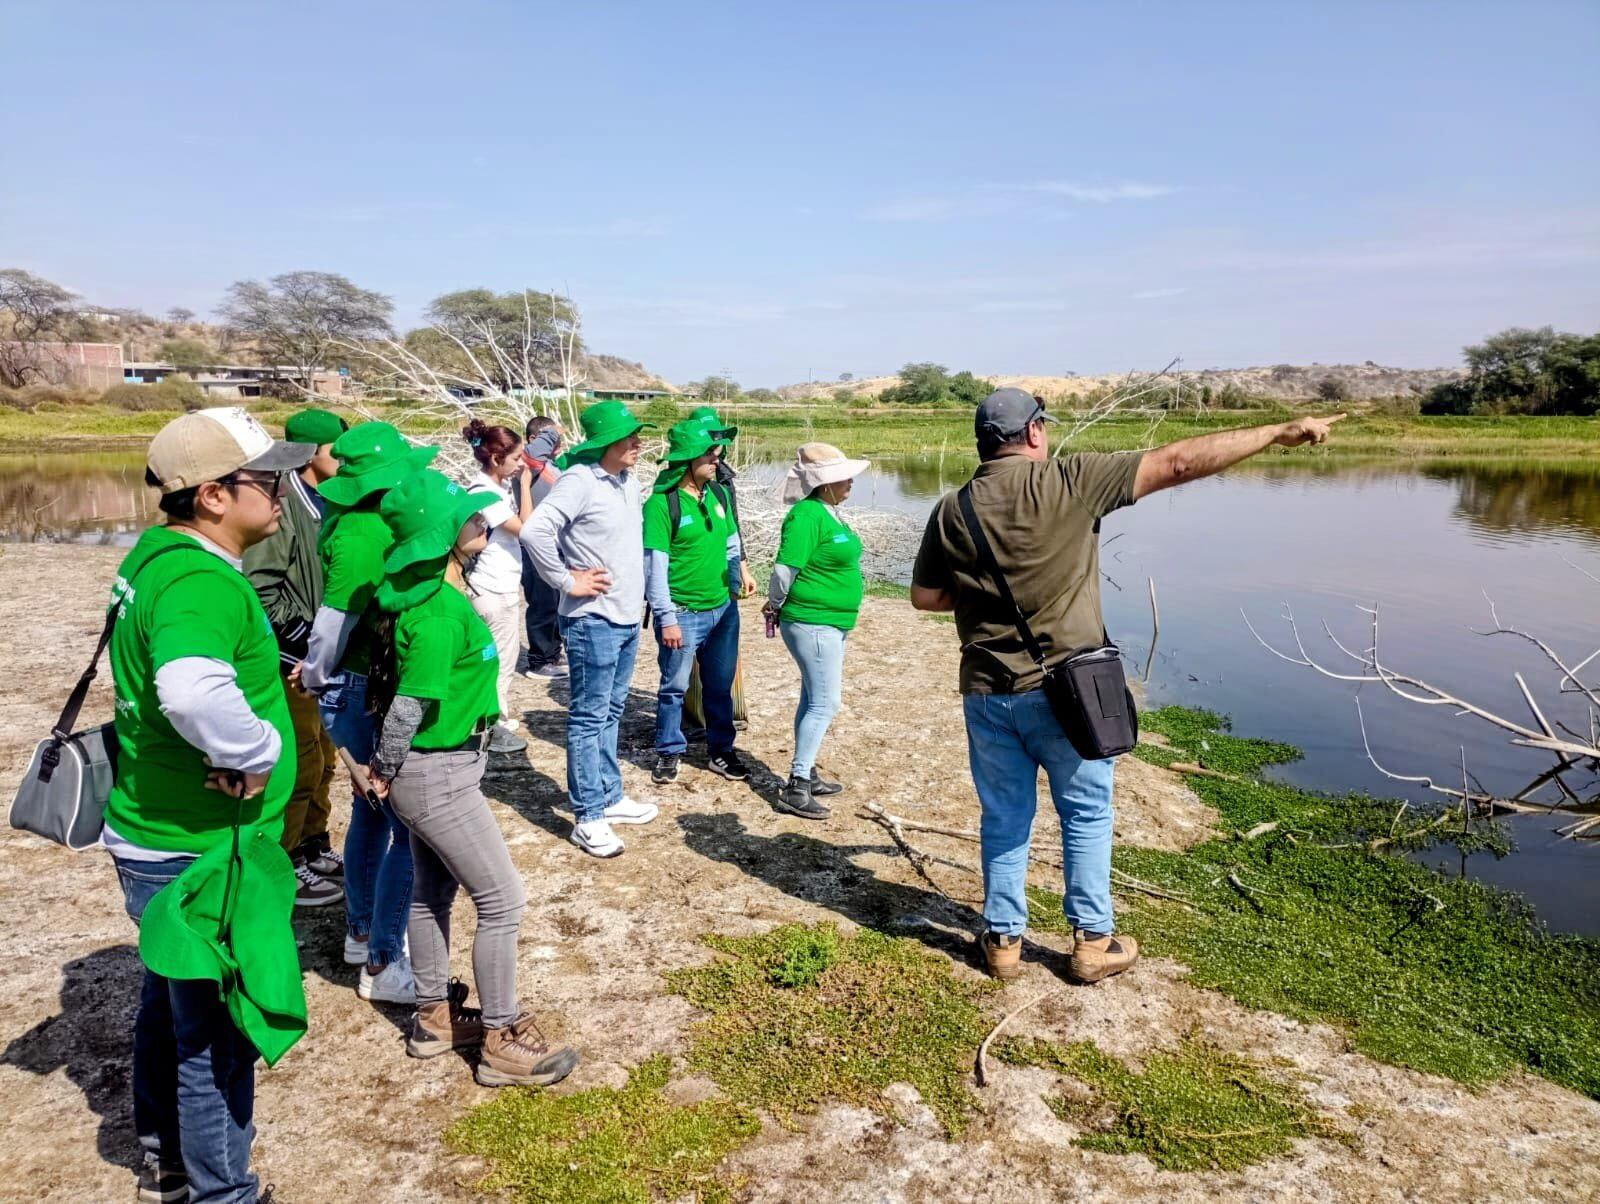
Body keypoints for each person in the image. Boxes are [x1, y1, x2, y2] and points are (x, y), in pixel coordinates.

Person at [910, 388, 1345, 984]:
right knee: (1085, 813)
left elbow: (926, 598)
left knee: (1004, 816)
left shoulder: (951, 509)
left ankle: (1003, 943)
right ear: (1034, 433)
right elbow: (1179, 462)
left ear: (983, 442)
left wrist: (988, 590)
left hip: (987, 691)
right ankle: (1092, 943)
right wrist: (1276, 432)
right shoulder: (1071, 481)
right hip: (1069, 691)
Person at [106, 406, 313, 1204]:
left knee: (167, 998)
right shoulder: (200, 579)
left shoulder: (158, 557)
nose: (284, 491)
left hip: (152, 831)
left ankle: (166, 1155)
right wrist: (255, 753)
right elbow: (190, 689)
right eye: (268, 479)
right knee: (215, 1034)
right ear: (214, 496)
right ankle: (222, 1192)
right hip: (200, 848)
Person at [366, 469, 580, 1088]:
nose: (483, 521)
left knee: (432, 891)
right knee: (503, 899)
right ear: (441, 536)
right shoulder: (434, 612)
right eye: (470, 518)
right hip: (437, 774)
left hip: (439, 769)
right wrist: (383, 766)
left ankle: (433, 1018)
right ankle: (502, 1038)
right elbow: (408, 703)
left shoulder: (418, 586)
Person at [298, 421, 438, 1006]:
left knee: (372, 813)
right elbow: (335, 621)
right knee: (403, 823)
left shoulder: (361, 519)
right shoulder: (361, 531)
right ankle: (384, 957)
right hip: (361, 686)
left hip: (362, 683)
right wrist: (315, 677)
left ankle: (360, 930)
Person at [522, 400, 660, 859]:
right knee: (586, 717)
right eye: (630, 436)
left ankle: (610, 795)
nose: (638, 443)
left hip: (623, 616)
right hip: (592, 619)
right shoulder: (579, 481)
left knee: (612, 710)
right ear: (606, 443)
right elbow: (534, 532)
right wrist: (565, 580)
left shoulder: (627, 480)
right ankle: (588, 816)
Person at [244, 406, 348, 908]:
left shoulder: (326, 501)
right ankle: (286, 864)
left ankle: (314, 843)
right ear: (311, 454)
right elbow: (262, 591)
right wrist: (307, 641)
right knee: (302, 761)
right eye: (337, 452)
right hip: (293, 663)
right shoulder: (284, 507)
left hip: (321, 662)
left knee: (326, 757)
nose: (344, 461)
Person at [643, 420, 757, 785]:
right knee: (674, 687)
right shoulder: (662, 504)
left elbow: (731, 543)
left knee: (720, 686)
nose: (717, 457)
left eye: (717, 450)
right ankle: (669, 750)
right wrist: (666, 617)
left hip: (723, 610)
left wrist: (738, 577)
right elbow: (655, 567)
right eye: (709, 452)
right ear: (687, 458)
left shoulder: (718, 494)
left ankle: (721, 751)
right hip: (682, 612)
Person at [764, 442, 869, 820]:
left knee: (813, 697)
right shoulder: (806, 516)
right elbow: (784, 570)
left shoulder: (829, 511)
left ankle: (806, 771)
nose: (850, 483)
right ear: (823, 484)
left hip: (830, 621)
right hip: (812, 621)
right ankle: (796, 785)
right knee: (827, 702)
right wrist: (774, 605)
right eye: (843, 478)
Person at [678, 405, 751, 735]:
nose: (717, 446)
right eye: (711, 439)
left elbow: (733, 529)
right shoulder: (677, 483)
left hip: (724, 572)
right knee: (689, 653)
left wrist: (742, 569)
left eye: (719, 438)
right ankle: (692, 711)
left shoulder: (723, 476)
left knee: (723, 651)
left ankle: (724, 711)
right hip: (690, 584)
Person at [461, 418, 532, 754]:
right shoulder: (486, 494)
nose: (521, 465)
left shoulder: (496, 489)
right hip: (492, 586)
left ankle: (495, 717)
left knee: (503, 656)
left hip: (499, 584)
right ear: (495, 458)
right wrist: (528, 485)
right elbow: (525, 528)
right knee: (500, 660)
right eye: (517, 458)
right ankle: (492, 723)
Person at [518, 415, 568, 680]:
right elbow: (533, 455)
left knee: (555, 601)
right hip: (536, 545)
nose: (557, 442)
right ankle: (539, 661)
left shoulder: (551, 465)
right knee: (542, 602)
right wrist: (553, 431)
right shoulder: (529, 465)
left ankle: (553, 653)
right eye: (552, 438)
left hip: (555, 545)